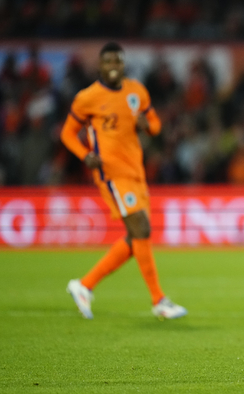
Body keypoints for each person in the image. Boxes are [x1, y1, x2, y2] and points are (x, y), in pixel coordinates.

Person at [60, 42, 187, 320]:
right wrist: (84, 155)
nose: (114, 67)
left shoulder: (136, 91)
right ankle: (159, 301)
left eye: (118, 61)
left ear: (124, 64)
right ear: (100, 66)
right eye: (108, 62)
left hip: (136, 172)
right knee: (140, 228)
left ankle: (84, 285)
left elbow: (155, 125)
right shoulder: (87, 98)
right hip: (111, 173)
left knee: (136, 236)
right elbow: (68, 134)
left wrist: (146, 125)